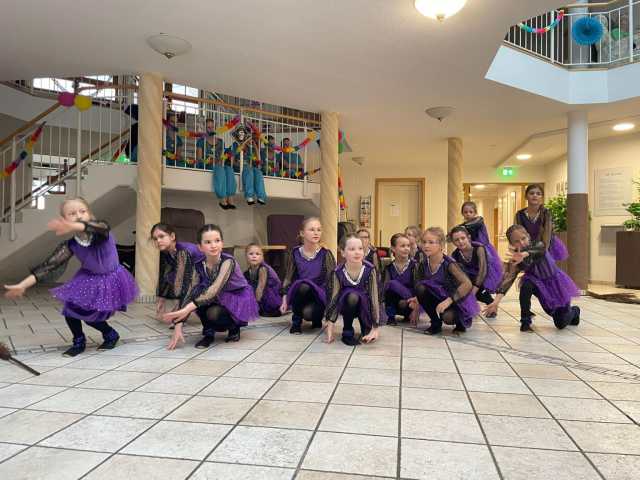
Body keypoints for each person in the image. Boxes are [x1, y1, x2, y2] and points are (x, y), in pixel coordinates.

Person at [4, 197, 138, 356]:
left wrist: (73, 225)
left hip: (109, 280)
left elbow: (100, 228)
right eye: (72, 214)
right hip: (88, 278)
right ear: (64, 219)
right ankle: (78, 341)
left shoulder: (101, 230)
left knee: (91, 317)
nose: (79, 215)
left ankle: (110, 334)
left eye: (82, 211)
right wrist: (23, 285)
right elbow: (48, 266)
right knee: (70, 310)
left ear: (90, 214)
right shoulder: (71, 244)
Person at [163, 224, 259, 349]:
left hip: (235, 296)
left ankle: (234, 327)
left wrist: (187, 309)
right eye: (208, 242)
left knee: (213, 313)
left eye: (217, 241)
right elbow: (189, 292)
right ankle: (208, 334)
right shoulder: (198, 264)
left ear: (222, 243)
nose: (213, 245)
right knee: (198, 297)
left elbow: (214, 290)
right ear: (200, 247)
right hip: (213, 296)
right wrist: (178, 325)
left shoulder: (228, 261)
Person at [483, 225, 581, 332]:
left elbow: (539, 249)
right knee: (526, 284)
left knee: (560, 322)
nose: (521, 243)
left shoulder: (538, 244)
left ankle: (575, 311)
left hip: (556, 285)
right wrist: (496, 302)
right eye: (516, 241)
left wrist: (524, 254)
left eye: (523, 238)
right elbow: (509, 279)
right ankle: (525, 322)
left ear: (528, 236)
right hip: (539, 287)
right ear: (511, 244)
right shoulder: (516, 258)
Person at [412, 227, 479, 335]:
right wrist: (416, 308)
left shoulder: (450, 264)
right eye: (424, 242)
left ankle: (460, 322)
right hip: (438, 297)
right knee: (420, 288)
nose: (426, 246)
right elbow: (423, 287)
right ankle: (435, 323)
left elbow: (467, 284)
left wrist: (449, 301)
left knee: (448, 317)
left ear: (441, 245)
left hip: (455, 300)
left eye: (431, 242)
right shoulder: (423, 264)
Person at [280, 217, 336, 334]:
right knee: (303, 285)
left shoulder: (326, 254)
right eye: (312, 229)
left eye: (319, 230)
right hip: (300, 293)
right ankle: (296, 322)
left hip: (318, 295)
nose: (316, 233)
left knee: (309, 314)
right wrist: (284, 301)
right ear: (302, 233)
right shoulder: (294, 253)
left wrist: (331, 311)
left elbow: (333, 281)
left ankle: (317, 318)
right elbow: (288, 278)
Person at [325, 234, 381, 345]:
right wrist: (330, 326)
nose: (357, 252)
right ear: (343, 253)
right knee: (352, 295)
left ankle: (366, 326)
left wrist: (375, 326)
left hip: (365, 307)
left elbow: (374, 298)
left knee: (367, 334)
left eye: (360, 248)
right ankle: (347, 332)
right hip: (347, 305)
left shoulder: (370, 269)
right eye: (352, 249)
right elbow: (334, 298)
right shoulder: (338, 271)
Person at [151, 223, 204, 322]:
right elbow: (168, 275)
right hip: (193, 276)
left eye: (161, 236)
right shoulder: (167, 252)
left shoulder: (184, 251)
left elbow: (186, 282)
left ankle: (185, 312)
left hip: (205, 276)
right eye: (155, 239)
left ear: (172, 236)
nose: (158, 241)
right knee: (169, 275)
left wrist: (179, 311)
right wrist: (161, 300)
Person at [449, 226, 503, 317]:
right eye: (456, 240)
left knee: (479, 294)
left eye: (463, 238)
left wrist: (474, 290)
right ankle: (467, 308)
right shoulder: (455, 254)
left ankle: (491, 305)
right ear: (453, 242)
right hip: (469, 278)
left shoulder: (479, 248)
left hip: (483, 275)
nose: (460, 241)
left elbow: (483, 270)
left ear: (468, 237)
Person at [514, 184, 568, 263]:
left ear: (542, 197)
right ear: (526, 196)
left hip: (543, 251)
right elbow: (516, 236)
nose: (535, 195)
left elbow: (546, 240)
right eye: (531, 193)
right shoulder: (519, 215)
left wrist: (533, 252)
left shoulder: (546, 214)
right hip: (524, 251)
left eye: (538, 194)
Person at [382, 233, 418, 325]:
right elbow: (385, 290)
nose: (406, 248)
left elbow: (418, 288)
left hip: (411, 304)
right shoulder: (389, 267)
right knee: (390, 285)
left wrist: (416, 309)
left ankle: (408, 315)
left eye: (408, 246)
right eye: (402, 246)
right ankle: (391, 317)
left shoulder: (415, 266)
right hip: (394, 304)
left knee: (392, 284)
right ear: (393, 249)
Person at [244, 243, 282, 317]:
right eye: (251, 254)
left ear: (262, 257)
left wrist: (253, 306)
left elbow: (260, 288)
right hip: (260, 296)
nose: (254, 256)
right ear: (246, 256)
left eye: (257, 254)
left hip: (272, 295)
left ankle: (267, 309)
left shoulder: (263, 269)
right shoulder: (247, 272)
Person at [241, 132, 267, 205]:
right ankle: (249, 196)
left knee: (258, 172)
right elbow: (241, 148)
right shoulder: (244, 146)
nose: (255, 140)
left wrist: (255, 146)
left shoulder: (256, 149)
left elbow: (259, 160)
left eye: (257, 139)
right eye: (254, 138)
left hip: (253, 168)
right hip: (245, 167)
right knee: (250, 171)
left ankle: (261, 197)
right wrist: (247, 141)